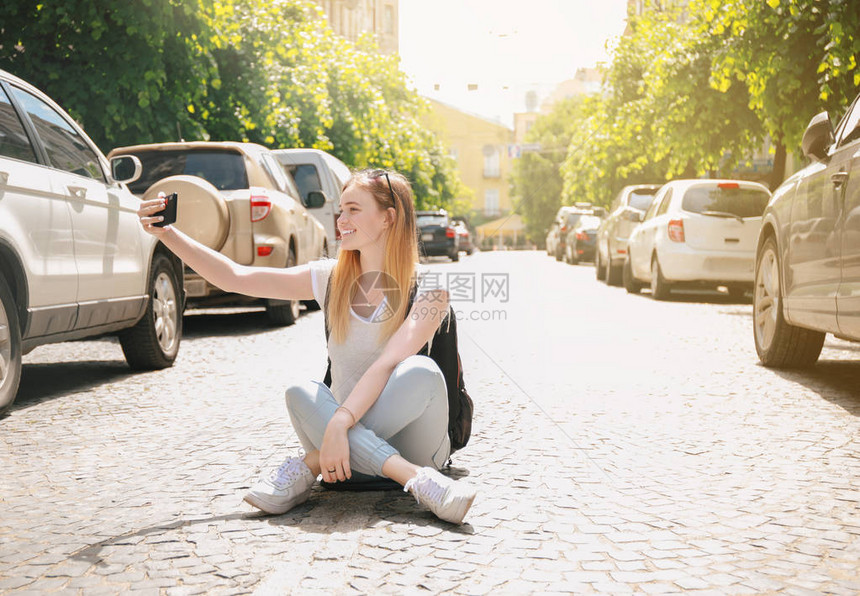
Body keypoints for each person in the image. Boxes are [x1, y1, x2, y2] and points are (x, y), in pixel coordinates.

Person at [137, 169, 477, 525]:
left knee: (419, 372)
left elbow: (388, 363)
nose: (340, 220)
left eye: (353, 210)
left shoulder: (432, 287)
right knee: (300, 390)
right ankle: (417, 482)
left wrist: (338, 424)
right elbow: (234, 277)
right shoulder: (330, 278)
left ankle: (309, 467)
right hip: (345, 457)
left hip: (409, 446)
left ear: (388, 218)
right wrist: (167, 234)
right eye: (340, 210)